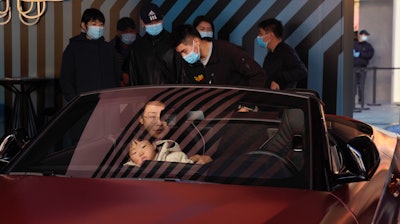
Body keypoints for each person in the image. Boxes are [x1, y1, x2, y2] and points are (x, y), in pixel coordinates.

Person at [171, 24, 266, 87]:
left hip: (238, 111)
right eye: (180, 53)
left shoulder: (228, 51)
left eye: (184, 51)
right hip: (212, 113)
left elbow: (258, 75)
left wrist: (246, 105)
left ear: (196, 42)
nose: (183, 56)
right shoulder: (188, 64)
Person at [60, 8, 119, 102]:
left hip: (109, 102)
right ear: (84, 25)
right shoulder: (73, 48)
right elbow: (66, 80)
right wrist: (74, 102)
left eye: (101, 25)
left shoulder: (109, 48)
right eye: (94, 24)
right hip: (84, 104)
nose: (98, 28)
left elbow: (116, 76)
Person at [125, 3, 184, 85]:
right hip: (146, 96)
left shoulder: (174, 42)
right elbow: (133, 78)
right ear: (142, 23)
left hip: (170, 95)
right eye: (150, 23)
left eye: (157, 21)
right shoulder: (137, 47)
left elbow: (182, 75)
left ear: (162, 19)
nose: (154, 25)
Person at [139, 100, 212, 164]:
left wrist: (202, 159)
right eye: (152, 117)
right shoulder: (132, 142)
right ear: (141, 119)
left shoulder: (184, 138)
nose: (159, 123)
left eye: (164, 117)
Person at [256, 18, 307, 90]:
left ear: (270, 35)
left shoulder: (286, 51)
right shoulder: (270, 55)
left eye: (260, 33)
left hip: (283, 99)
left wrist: (278, 80)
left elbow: (301, 71)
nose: (258, 37)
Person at [110, 17, 139, 86]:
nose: (129, 34)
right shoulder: (110, 48)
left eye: (132, 31)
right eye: (126, 31)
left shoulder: (142, 46)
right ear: (118, 32)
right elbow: (108, 69)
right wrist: (121, 76)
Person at [124, 139, 194, 167]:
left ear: (154, 145)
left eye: (143, 146)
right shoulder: (129, 171)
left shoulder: (176, 158)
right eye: (134, 152)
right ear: (131, 158)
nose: (141, 153)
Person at [353, 29, 374, 107]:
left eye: (366, 36)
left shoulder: (368, 46)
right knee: (353, 86)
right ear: (360, 35)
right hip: (353, 68)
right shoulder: (354, 44)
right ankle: (352, 103)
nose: (365, 37)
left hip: (363, 68)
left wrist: (360, 54)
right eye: (365, 35)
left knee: (361, 86)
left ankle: (361, 101)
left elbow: (370, 55)